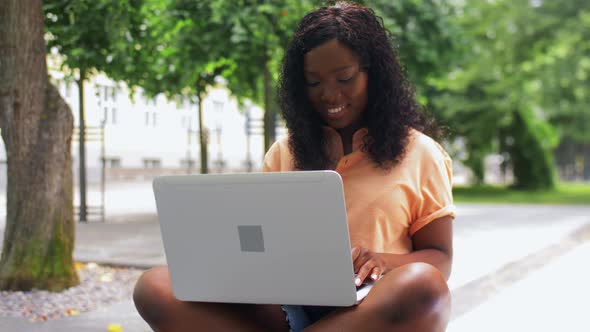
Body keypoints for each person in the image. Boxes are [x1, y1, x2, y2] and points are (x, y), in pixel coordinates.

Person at [133, 1, 455, 331]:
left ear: (375, 73)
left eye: (344, 78)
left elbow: (440, 256)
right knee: (155, 287)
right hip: (284, 309)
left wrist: (384, 261)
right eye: (314, 82)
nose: (330, 94)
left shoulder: (422, 153)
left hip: (368, 310)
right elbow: (256, 247)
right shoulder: (283, 152)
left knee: (423, 285)